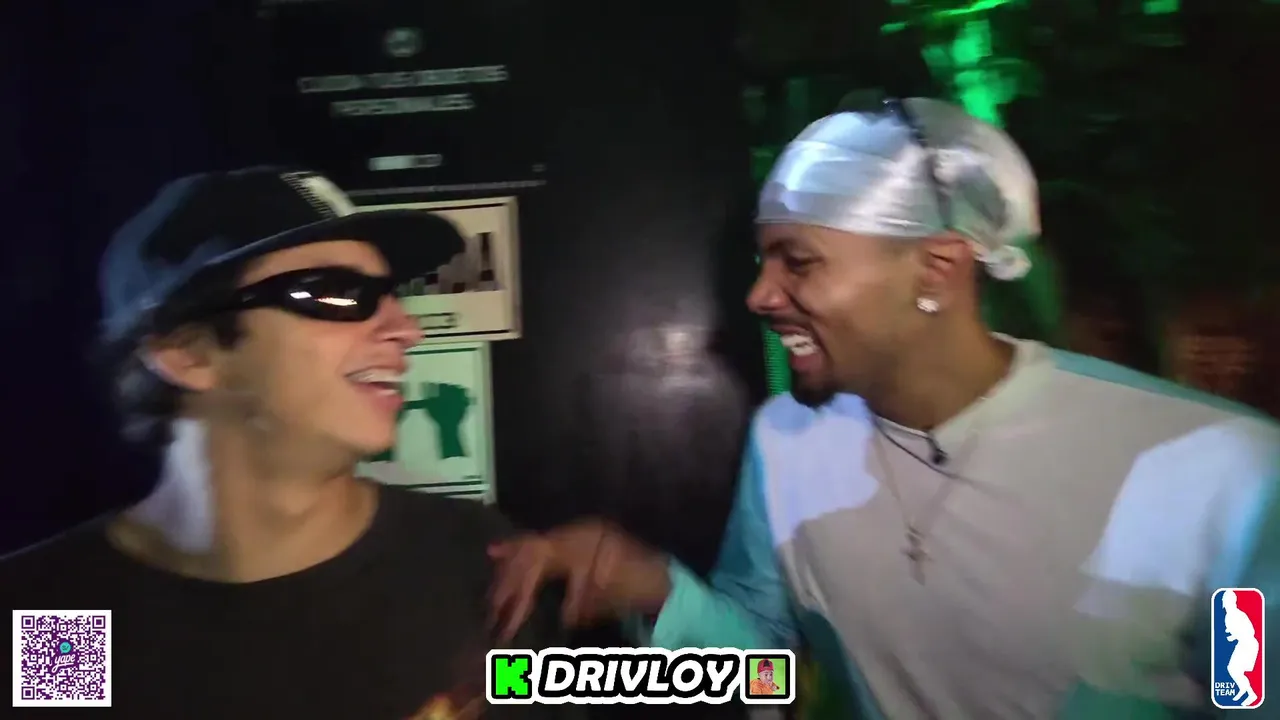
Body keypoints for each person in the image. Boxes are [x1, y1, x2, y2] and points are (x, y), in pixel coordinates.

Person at [488, 99, 1280, 718]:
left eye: (798, 262)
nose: (760, 295)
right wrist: (658, 591)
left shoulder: (1219, 472)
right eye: (764, 260)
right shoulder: (787, 441)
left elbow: (1251, 697)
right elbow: (771, 673)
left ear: (936, 271)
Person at [1, 167, 568, 719]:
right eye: (336, 292)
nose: (406, 330)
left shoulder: (475, 562)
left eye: (393, 294)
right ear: (188, 352)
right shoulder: (56, 613)